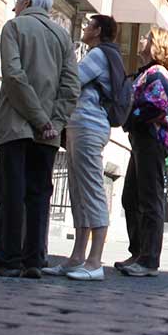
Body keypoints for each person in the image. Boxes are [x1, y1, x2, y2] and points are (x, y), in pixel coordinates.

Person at [0, 0, 78, 279]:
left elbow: (13, 76)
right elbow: (71, 87)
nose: (13, 7)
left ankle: (7, 259)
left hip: (16, 125)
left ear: (27, 2)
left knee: (11, 192)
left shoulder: (15, 27)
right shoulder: (63, 37)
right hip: (46, 133)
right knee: (38, 194)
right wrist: (53, 124)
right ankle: (34, 259)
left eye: (16, 1)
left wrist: (38, 118)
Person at [52, 15, 122, 282]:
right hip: (81, 126)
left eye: (88, 25)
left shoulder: (98, 56)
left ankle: (94, 261)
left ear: (98, 31)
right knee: (79, 191)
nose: (84, 28)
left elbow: (72, 81)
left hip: (88, 126)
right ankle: (77, 257)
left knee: (91, 190)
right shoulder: (101, 54)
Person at [116, 27, 168, 278]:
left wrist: (128, 119)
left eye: (147, 37)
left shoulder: (158, 74)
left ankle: (149, 259)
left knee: (149, 198)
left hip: (151, 139)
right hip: (143, 139)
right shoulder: (149, 73)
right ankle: (139, 252)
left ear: (156, 45)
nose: (142, 39)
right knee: (131, 197)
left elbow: (154, 107)